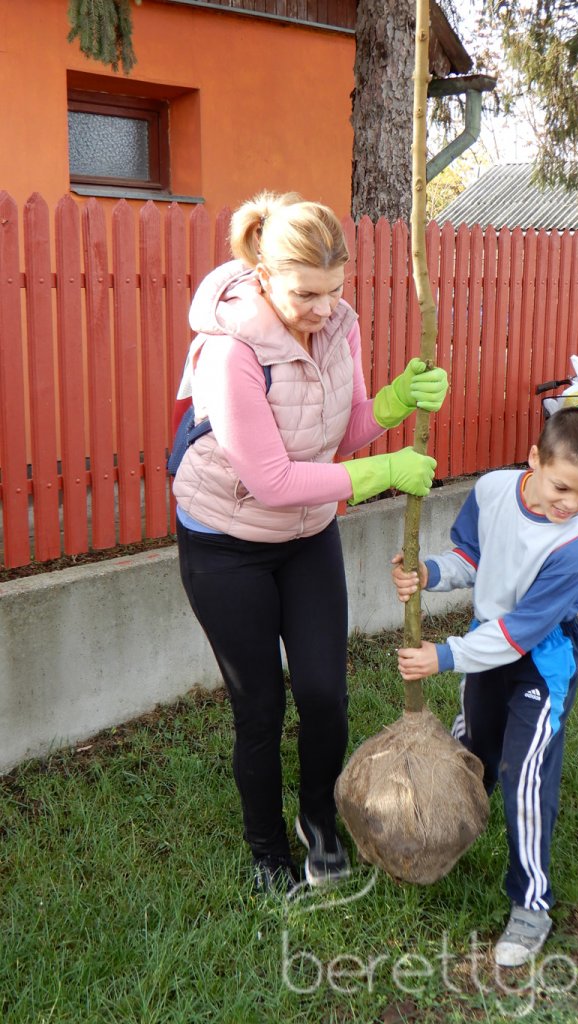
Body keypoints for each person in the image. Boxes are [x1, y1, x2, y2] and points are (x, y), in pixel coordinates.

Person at [173, 191, 447, 894]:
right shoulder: (227, 352)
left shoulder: (338, 325)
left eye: (335, 291)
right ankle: (267, 851)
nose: (324, 309)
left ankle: (317, 821)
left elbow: (339, 427)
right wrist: (385, 471)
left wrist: (392, 403)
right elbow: (269, 478)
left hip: (306, 536)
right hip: (228, 543)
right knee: (259, 707)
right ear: (262, 274)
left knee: (325, 694)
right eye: (306, 294)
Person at [391, 407, 578, 967]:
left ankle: (531, 903)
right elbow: (472, 556)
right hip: (487, 648)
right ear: (534, 459)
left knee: (523, 775)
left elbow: (518, 635)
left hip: (540, 663)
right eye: (563, 486)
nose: (570, 504)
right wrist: (430, 574)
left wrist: (442, 657)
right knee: (475, 757)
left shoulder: (572, 546)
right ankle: (448, 838)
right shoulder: (491, 490)